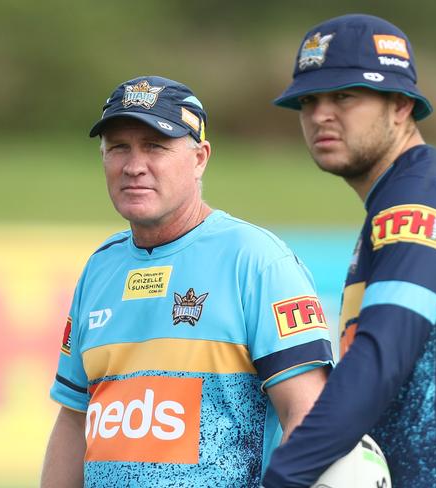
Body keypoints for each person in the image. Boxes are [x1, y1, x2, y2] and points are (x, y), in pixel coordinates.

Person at [262, 14, 436, 488]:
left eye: (344, 96)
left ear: (401, 105)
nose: (321, 114)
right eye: (309, 100)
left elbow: (383, 355)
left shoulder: (421, 198)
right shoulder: (410, 193)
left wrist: (287, 472)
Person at [40, 75, 333, 488]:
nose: (134, 165)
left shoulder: (257, 261)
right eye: (118, 147)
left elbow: (307, 416)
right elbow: (75, 419)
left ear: (200, 158)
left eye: (155, 146)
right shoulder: (100, 268)